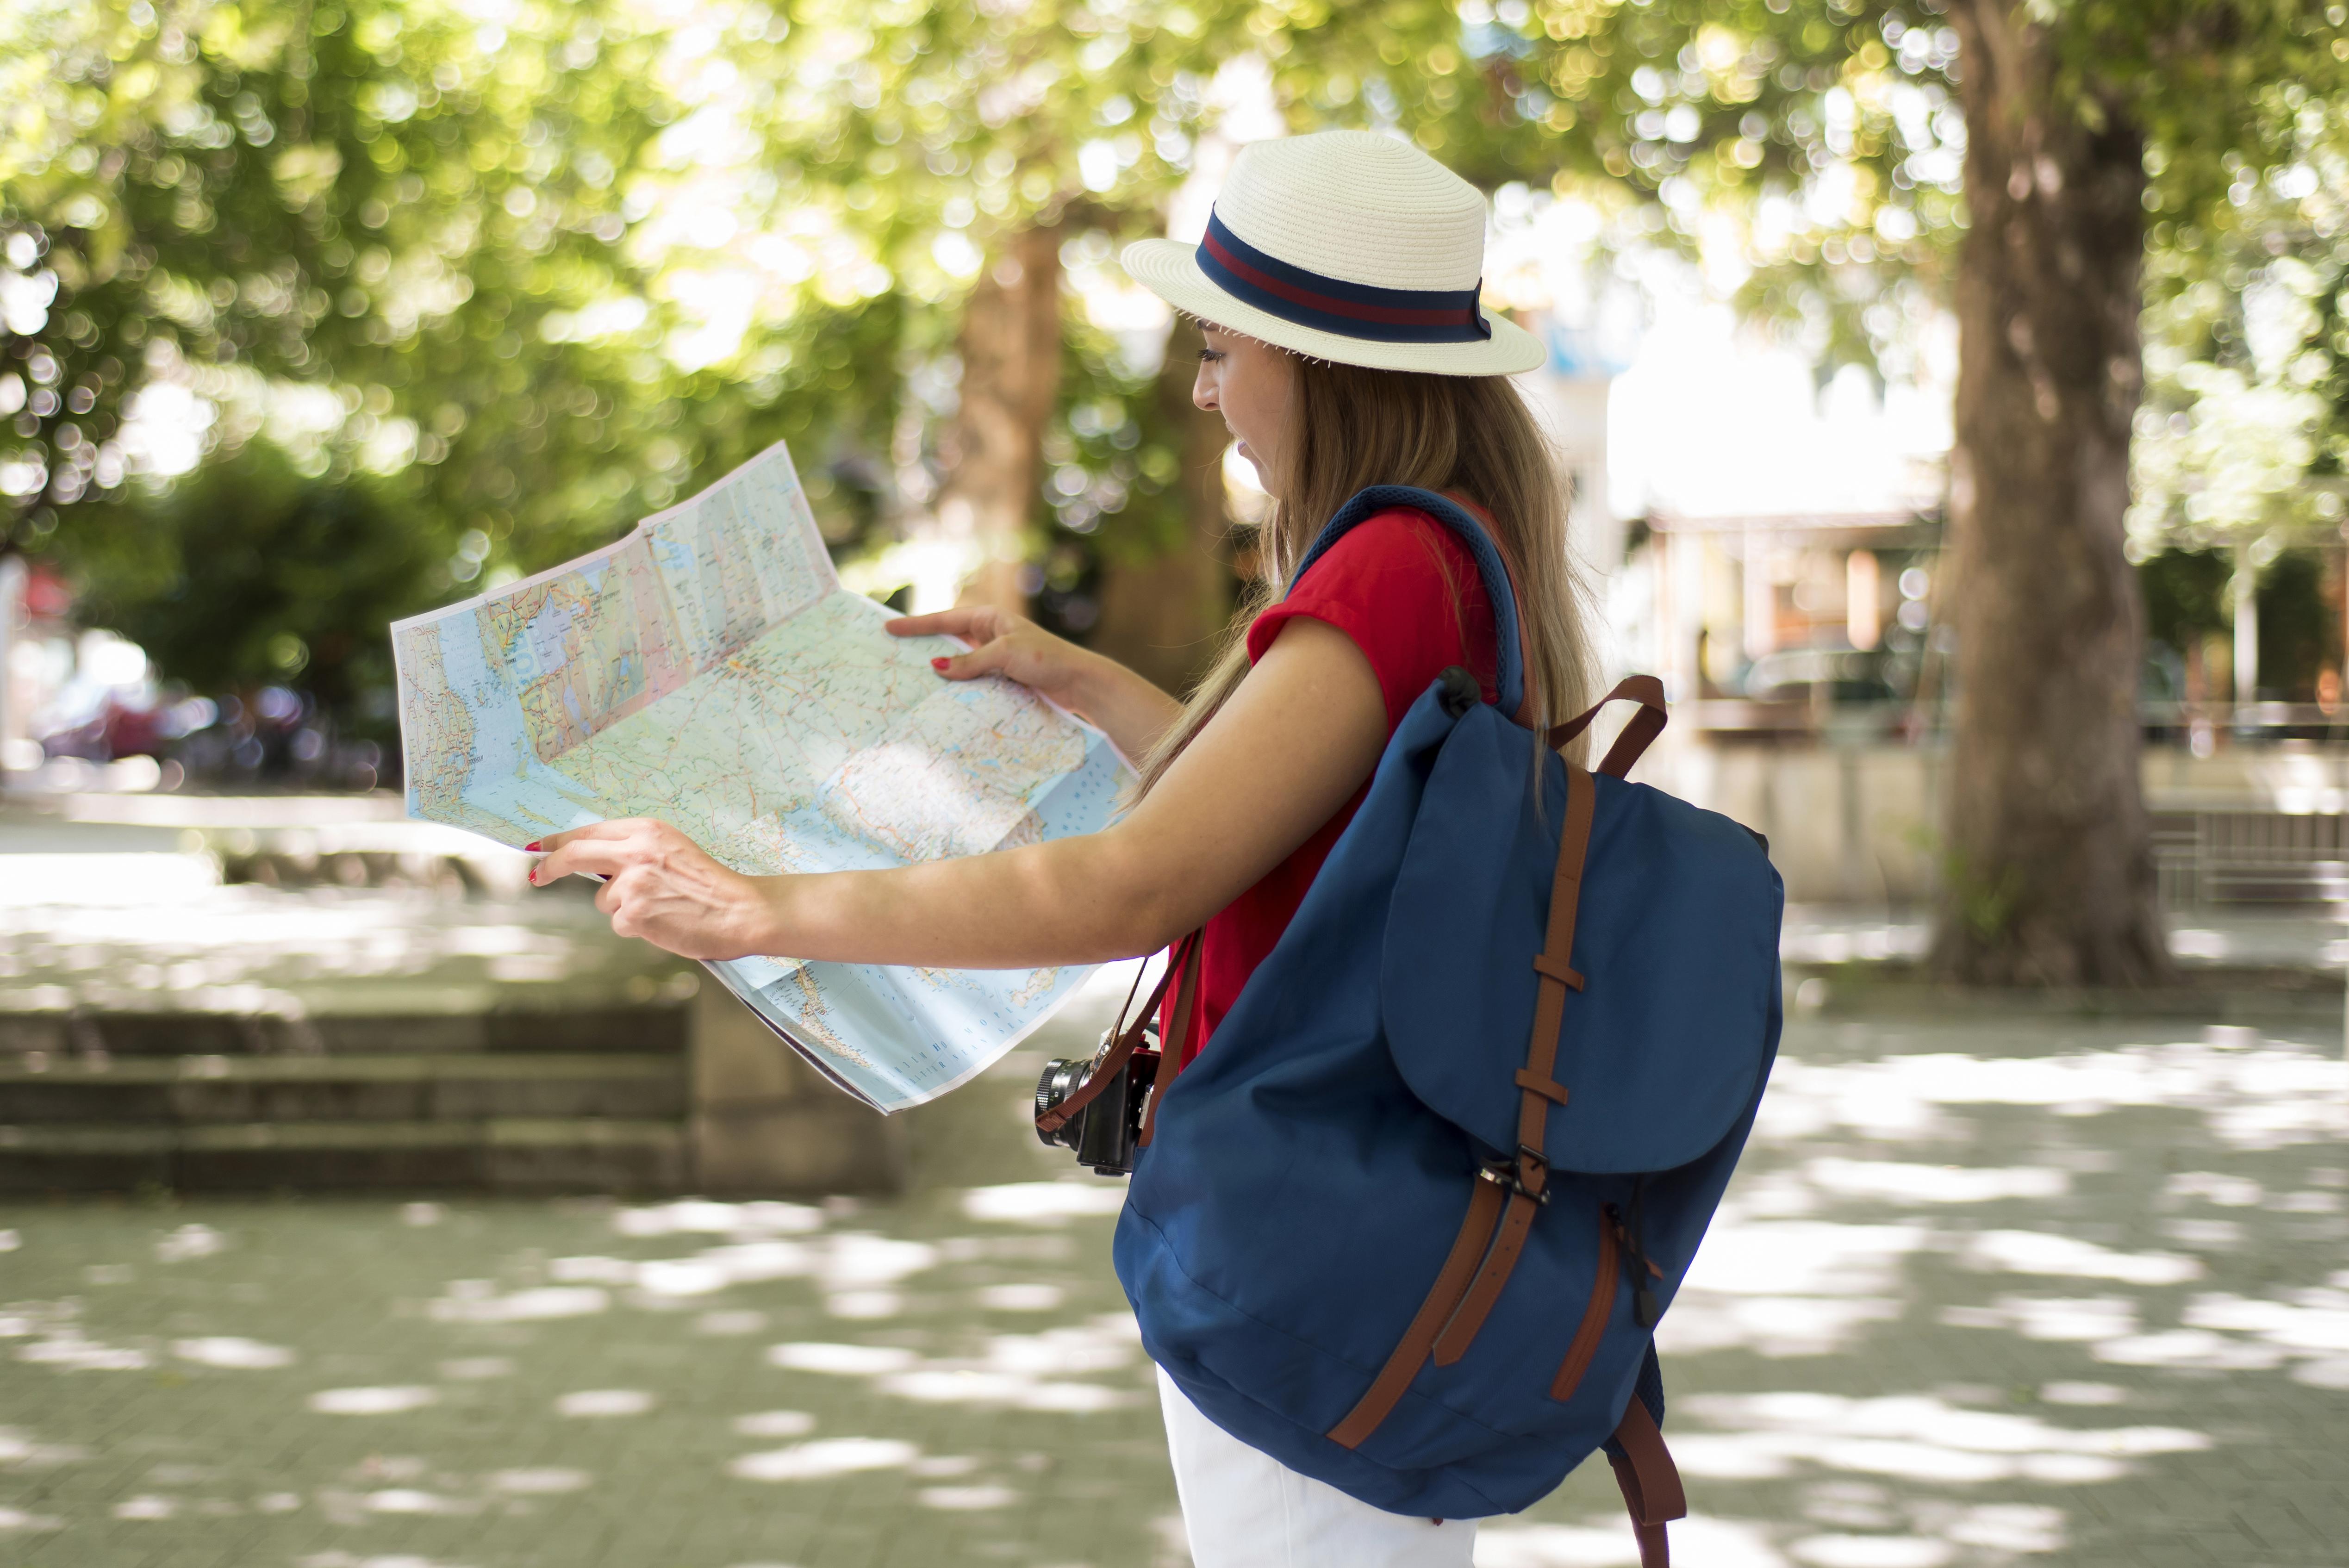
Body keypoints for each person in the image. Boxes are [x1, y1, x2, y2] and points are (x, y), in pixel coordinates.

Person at [531, 129, 1601, 1568]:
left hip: (1309, 1233)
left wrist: (752, 907)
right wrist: (1078, 677)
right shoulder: (1446, 553)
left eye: (1224, 349)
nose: (1209, 387)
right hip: (1355, 1212)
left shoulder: (1387, 568)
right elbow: (1304, 826)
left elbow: (1138, 880)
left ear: (1321, 361)